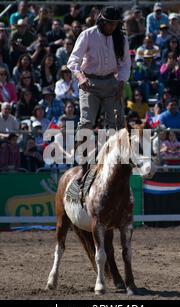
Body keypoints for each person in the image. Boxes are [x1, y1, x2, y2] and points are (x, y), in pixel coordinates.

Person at [67, 6, 130, 178]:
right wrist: (80, 78)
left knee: (117, 123)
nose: (112, 28)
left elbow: (125, 63)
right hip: (89, 82)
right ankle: (82, 161)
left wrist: (121, 83)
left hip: (111, 82)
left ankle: (110, 160)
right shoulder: (88, 34)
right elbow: (73, 61)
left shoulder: (121, 37)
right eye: (110, 24)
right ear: (102, 21)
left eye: (115, 24)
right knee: (86, 122)